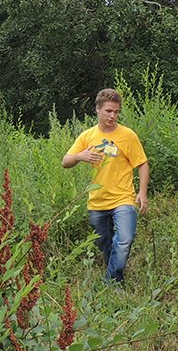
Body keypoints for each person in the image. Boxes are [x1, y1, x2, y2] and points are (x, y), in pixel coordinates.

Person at [62, 88, 149, 283]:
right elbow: (65, 161)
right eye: (109, 111)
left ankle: (110, 283)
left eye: (116, 112)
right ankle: (117, 277)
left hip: (123, 198)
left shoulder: (128, 135)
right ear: (98, 109)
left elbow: (142, 164)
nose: (113, 115)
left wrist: (142, 193)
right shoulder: (87, 136)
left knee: (125, 239)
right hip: (97, 201)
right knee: (105, 245)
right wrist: (79, 156)